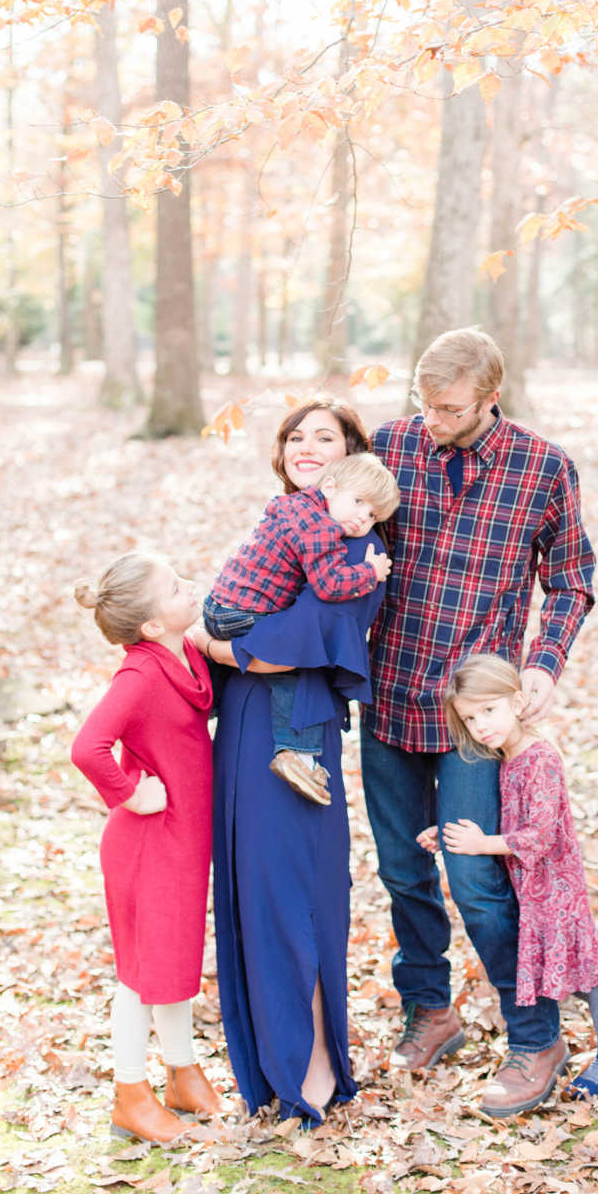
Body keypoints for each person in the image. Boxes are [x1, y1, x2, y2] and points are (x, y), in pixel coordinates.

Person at [361, 327, 597, 1116]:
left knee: (482, 880)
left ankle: (535, 1038)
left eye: (449, 409)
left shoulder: (543, 468)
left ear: (489, 398)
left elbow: (569, 581)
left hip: (477, 716)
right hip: (390, 693)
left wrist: (543, 662)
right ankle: (431, 1011)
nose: (432, 420)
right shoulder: (392, 447)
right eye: (424, 406)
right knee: (403, 873)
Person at [192, 398, 388, 1125]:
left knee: (295, 896)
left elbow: (286, 643)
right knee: (248, 891)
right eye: (295, 436)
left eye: (325, 436)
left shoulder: (357, 553)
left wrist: (221, 648)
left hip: (296, 732)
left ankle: (313, 1064)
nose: (307, 445)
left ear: (352, 455)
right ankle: (267, 1069)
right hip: (241, 727)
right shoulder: (287, 525)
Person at [417, 654, 598, 1106]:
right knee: (552, 965)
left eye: (489, 710)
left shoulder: (539, 758)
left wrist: (483, 845)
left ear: (517, 701)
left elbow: (538, 836)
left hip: (556, 885)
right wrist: (449, 838)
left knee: (586, 968)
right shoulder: (505, 758)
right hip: (531, 886)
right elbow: (507, 818)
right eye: (470, 717)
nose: (481, 725)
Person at [71, 552, 221, 1143]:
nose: (191, 586)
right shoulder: (137, 675)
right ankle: (130, 1093)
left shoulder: (182, 653)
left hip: (181, 842)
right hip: (145, 845)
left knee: (174, 963)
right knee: (139, 974)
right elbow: (88, 748)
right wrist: (131, 793)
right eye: (176, 587)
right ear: (150, 626)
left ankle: (181, 1073)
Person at [202, 452, 398, 805]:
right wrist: (370, 572)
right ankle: (296, 752)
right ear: (330, 486)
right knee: (289, 668)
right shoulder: (321, 528)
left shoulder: (292, 506)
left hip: (217, 607)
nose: (361, 519)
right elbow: (329, 584)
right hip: (244, 613)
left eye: (372, 516)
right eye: (357, 503)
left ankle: (208, 704)